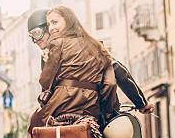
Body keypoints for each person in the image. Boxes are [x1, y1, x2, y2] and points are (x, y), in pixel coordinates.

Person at [26, 8, 154, 115]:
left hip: (62, 116)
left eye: (37, 34)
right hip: (98, 113)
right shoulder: (87, 45)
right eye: (31, 37)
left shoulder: (55, 54)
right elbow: (120, 73)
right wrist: (141, 103)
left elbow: (45, 95)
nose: (34, 40)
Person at [27, 6, 118, 138]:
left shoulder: (57, 44)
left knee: (35, 128)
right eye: (49, 24)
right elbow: (110, 84)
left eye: (54, 23)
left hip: (61, 107)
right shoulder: (98, 46)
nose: (51, 28)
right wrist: (106, 110)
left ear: (68, 21)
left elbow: (45, 82)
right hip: (92, 109)